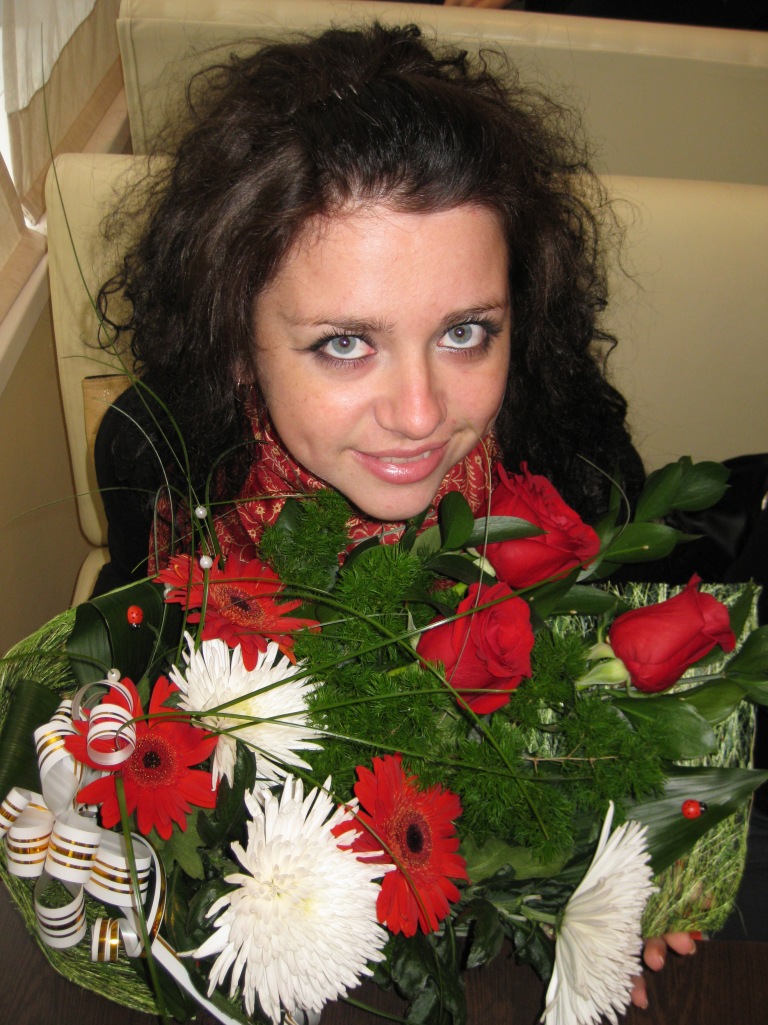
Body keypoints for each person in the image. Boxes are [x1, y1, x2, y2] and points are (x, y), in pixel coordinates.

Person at [93, 21, 694, 1005]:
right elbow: (146, 721)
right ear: (236, 336)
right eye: (345, 343)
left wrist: (639, 860)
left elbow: (640, 693)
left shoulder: (569, 449)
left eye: (466, 333)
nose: (420, 413)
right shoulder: (161, 459)